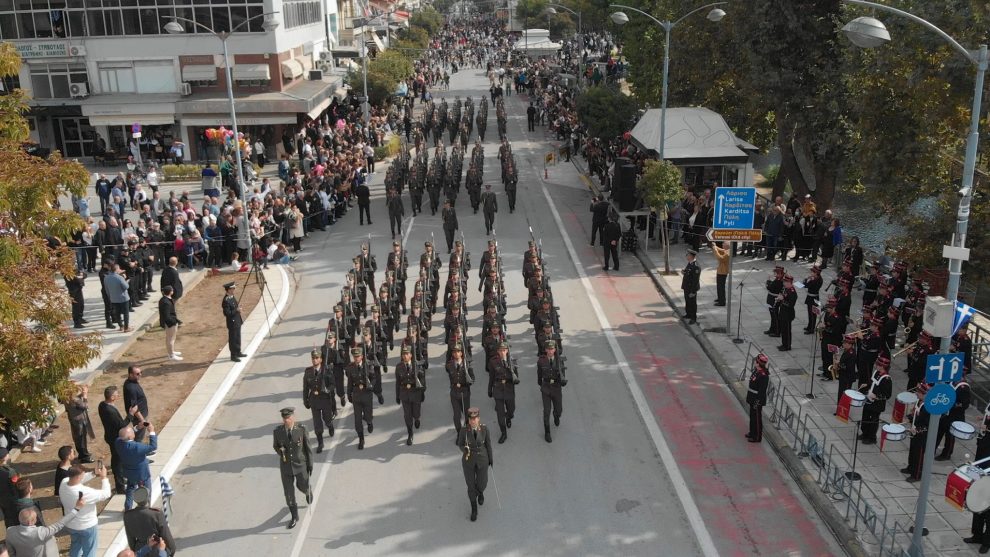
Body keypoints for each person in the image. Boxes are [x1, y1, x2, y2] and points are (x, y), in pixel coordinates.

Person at [5, 492, 85, 557]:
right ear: (30, 522)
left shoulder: (10, 531)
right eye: (35, 518)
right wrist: (76, 509)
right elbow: (60, 524)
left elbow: (11, 552)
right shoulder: (40, 532)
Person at [59, 464, 112, 557]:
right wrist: (104, 477)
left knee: (75, 547)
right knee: (89, 551)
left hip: (71, 524)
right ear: (79, 476)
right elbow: (106, 494)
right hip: (87, 526)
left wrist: (93, 473)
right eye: (83, 475)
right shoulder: (84, 492)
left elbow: (78, 479)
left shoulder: (64, 482)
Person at [272, 407, 312, 529]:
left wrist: (310, 464)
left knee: (303, 485)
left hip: (300, 465)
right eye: (284, 418)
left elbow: (307, 448)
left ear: (293, 417)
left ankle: (307, 491)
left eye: (288, 418)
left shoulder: (301, 429)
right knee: (288, 493)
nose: (286, 420)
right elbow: (276, 446)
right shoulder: (278, 432)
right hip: (286, 467)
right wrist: (281, 453)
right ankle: (294, 516)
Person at [456, 407, 493, 522]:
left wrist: (491, 459)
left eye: (475, 418)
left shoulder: (484, 429)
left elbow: (488, 445)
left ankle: (480, 492)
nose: (473, 421)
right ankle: (474, 508)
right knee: (471, 485)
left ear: (478, 419)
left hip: (482, 460)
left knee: (483, 483)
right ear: (469, 419)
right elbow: (459, 444)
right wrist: (464, 449)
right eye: (471, 419)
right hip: (469, 461)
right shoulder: (464, 431)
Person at [99, 385, 137, 495]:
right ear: (111, 397)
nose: (118, 396)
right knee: (118, 463)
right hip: (115, 438)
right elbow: (122, 425)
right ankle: (120, 486)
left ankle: (121, 479)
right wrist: (131, 414)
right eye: (116, 394)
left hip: (111, 436)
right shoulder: (109, 411)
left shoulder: (102, 405)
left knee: (118, 461)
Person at [346, 346, 381, 450]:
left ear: (362, 356)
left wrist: (371, 385)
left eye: (358, 356)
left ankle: (369, 422)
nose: (356, 358)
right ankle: (361, 439)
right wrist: (349, 394)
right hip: (357, 395)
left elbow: (374, 378)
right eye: (354, 356)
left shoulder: (368, 365)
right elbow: (350, 383)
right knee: (357, 420)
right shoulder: (351, 368)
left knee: (368, 416)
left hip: (366, 394)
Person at [123, 487, 175, 556]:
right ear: (148, 498)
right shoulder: (156, 514)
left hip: (140, 550)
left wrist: (135, 553)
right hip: (157, 550)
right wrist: (172, 550)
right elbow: (166, 535)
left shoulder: (128, 516)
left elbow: (131, 541)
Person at [117, 423, 157, 511]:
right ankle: (146, 508)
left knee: (130, 489)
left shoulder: (118, 443)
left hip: (129, 473)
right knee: (146, 491)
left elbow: (123, 436)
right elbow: (153, 446)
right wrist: (152, 432)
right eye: (132, 432)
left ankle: (128, 508)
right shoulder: (137, 447)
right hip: (142, 474)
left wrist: (137, 427)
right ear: (131, 437)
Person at [302, 349, 336, 453]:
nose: (314, 360)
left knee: (327, 419)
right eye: (313, 358)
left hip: (325, 399)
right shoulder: (308, 372)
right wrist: (306, 400)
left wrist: (327, 390)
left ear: (321, 359)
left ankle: (330, 426)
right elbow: (305, 388)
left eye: (317, 358)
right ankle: (320, 443)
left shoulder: (327, 370)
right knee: (317, 423)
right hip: (314, 400)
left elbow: (332, 384)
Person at [395, 345, 426, 446]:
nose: (405, 356)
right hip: (404, 394)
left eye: (407, 354)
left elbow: (422, 380)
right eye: (403, 354)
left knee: (416, 413)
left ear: (411, 355)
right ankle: (410, 433)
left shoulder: (418, 365)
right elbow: (397, 382)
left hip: (415, 392)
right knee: (407, 415)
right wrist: (397, 396)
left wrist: (422, 392)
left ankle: (417, 418)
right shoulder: (399, 367)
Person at [537, 341, 567, 443]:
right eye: (548, 349)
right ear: (545, 350)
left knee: (559, 410)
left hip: (556, 388)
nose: (550, 351)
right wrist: (540, 384)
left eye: (552, 349)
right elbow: (539, 374)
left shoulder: (560, 360)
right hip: (545, 388)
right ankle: (547, 432)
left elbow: (563, 374)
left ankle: (556, 415)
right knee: (546, 411)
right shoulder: (541, 361)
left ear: (555, 350)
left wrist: (563, 381)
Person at [487, 342, 517, 444]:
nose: (502, 352)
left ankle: (508, 417)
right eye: (500, 350)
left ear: (507, 351)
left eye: (504, 350)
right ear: (498, 351)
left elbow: (516, 376)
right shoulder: (493, 362)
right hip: (498, 390)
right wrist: (489, 389)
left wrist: (511, 369)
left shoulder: (512, 360)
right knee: (500, 416)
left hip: (509, 389)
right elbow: (491, 376)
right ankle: (503, 433)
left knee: (511, 410)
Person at [446, 343, 474, 439]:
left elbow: (472, 379)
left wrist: (468, 380)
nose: (456, 354)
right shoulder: (449, 365)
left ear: (461, 353)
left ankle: (467, 431)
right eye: (454, 352)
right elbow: (450, 376)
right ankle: (459, 433)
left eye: (458, 351)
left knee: (467, 414)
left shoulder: (467, 365)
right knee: (456, 416)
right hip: (454, 392)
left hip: (465, 392)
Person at [65, 383, 96, 464]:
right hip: (80, 422)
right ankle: (84, 457)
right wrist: (85, 395)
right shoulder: (75, 400)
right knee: (81, 439)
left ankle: (82, 454)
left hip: (74, 420)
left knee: (77, 438)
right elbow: (84, 406)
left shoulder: (66, 397)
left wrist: (81, 393)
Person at [746, 354, 770, 443]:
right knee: (752, 417)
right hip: (752, 398)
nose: (755, 363)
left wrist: (757, 402)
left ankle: (757, 436)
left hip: (757, 400)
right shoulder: (757, 371)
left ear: (758, 363)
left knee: (757, 418)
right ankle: (752, 432)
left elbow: (762, 391)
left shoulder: (763, 375)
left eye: (756, 361)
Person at [222, 281, 245, 362]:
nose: (234, 289)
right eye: (232, 288)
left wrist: (238, 309)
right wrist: (237, 310)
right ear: (228, 290)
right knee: (233, 339)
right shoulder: (226, 300)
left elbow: (234, 307)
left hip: (237, 321)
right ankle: (233, 355)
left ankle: (238, 352)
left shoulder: (231, 296)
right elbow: (227, 313)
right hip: (232, 323)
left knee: (238, 337)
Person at [106, 263, 131, 332]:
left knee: (117, 313)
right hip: (123, 298)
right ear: (116, 269)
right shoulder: (119, 277)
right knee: (126, 313)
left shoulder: (106, 277)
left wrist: (111, 296)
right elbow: (126, 287)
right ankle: (126, 327)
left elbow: (107, 290)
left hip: (114, 298)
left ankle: (121, 326)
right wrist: (126, 280)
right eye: (119, 268)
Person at [158, 286, 181, 361]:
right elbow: (167, 315)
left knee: (170, 338)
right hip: (170, 324)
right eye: (172, 290)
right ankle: (171, 355)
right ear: (170, 292)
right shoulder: (166, 302)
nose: (173, 290)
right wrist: (174, 322)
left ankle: (171, 351)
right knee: (171, 339)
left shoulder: (164, 300)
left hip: (169, 323)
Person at [777, 274, 798, 351]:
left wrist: (782, 299)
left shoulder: (792, 292)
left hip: (788, 314)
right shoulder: (786, 289)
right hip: (783, 313)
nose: (784, 283)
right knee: (783, 330)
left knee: (787, 331)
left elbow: (791, 305)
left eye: (785, 282)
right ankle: (783, 344)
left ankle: (788, 346)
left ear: (789, 282)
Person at [0, 448, 21, 528]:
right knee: (16, 518)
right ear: (5, 457)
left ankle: (10, 533)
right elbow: (16, 486)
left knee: (7, 516)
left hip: (2, 499)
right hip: (12, 499)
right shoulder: (9, 472)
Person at [681, 249, 701, 324]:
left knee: (692, 303)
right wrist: (684, 272)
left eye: (688, 255)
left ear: (691, 256)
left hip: (691, 288)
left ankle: (693, 318)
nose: (686, 256)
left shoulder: (696, 267)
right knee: (687, 301)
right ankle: (688, 314)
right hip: (686, 286)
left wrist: (693, 291)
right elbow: (688, 272)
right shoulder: (690, 263)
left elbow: (695, 280)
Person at [711, 242, 729, 306]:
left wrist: (715, 250)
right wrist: (715, 246)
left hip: (723, 272)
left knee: (721, 287)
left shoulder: (728, 253)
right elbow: (721, 250)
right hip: (720, 271)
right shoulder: (726, 250)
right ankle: (720, 298)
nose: (722, 245)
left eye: (724, 244)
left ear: (727, 246)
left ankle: (722, 302)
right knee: (719, 286)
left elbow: (720, 258)